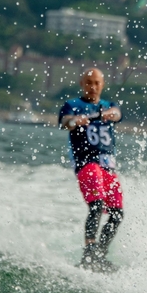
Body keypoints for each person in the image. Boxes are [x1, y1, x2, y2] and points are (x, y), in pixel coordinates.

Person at [58, 67, 123, 271]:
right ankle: (89, 253)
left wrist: (110, 114)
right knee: (96, 205)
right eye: (88, 83)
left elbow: (117, 114)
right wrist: (75, 121)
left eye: (96, 83)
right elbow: (65, 122)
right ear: (82, 84)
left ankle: (100, 255)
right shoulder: (72, 105)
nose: (92, 87)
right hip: (87, 164)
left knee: (117, 213)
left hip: (107, 167)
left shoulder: (109, 105)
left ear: (102, 84)